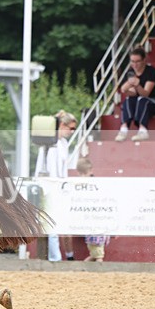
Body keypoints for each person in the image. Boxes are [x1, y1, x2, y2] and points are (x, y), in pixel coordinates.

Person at [34, 110, 77, 261]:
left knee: (55, 222)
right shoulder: (48, 143)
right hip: (47, 186)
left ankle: (57, 257)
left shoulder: (63, 143)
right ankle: (55, 258)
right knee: (50, 223)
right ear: (63, 125)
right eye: (71, 128)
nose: (72, 132)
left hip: (59, 187)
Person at [115, 47, 155, 142]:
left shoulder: (151, 71)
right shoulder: (130, 72)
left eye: (137, 61)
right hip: (139, 103)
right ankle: (124, 129)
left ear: (144, 60)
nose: (135, 64)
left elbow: (145, 93)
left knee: (142, 100)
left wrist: (137, 85)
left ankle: (143, 130)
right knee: (128, 99)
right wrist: (126, 90)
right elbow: (133, 93)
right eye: (132, 61)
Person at [75, 157, 109, 262]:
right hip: (94, 225)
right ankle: (97, 272)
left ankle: (82, 269)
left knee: (96, 255)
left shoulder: (76, 184)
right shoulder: (93, 184)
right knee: (98, 256)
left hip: (92, 225)